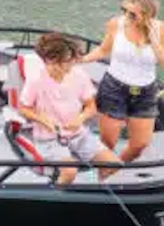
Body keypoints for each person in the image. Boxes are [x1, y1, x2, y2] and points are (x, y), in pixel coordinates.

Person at [78, 0, 164, 162]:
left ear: (148, 15)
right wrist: (81, 60)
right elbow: (103, 50)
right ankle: (103, 172)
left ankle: (114, 168)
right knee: (108, 143)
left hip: (145, 93)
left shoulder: (161, 29)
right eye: (124, 10)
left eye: (132, 14)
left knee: (140, 145)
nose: (126, 16)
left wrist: (154, 42)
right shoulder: (116, 24)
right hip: (114, 88)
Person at [18, 33, 119, 186]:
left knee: (113, 164)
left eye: (68, 61)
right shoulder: (35, 80)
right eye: (57, 63)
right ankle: (56, 194)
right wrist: (42, 120)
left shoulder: (80, 75)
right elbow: (23, 108)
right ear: (47, 60)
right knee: (70, 171)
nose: (64, 67)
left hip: (79, 135)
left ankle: (98, 189)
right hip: (49, 138)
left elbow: (91, 106)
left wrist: (80, 118)